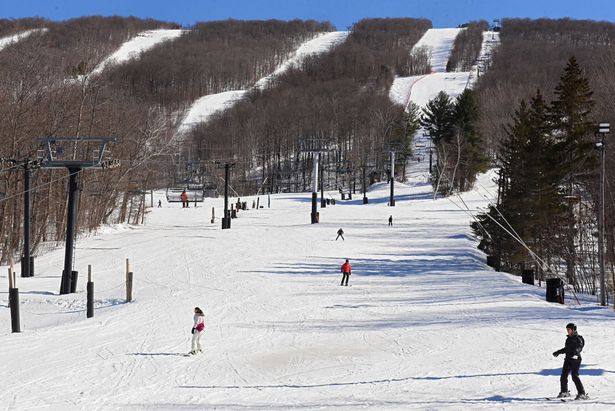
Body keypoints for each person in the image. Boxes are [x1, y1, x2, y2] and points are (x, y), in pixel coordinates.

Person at [553, 323, 587, 400]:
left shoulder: (578, 338)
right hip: (568, 359)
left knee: (574, 376)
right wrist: (558, 352)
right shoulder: (568, 339)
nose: (567, 331)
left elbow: (580, 347)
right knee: (563, 375)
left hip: (575, 359)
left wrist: (575, 352)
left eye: (569, 329)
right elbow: (566, 349)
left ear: (573, 330)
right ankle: (564, 392)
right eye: (567, 329)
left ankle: (582, 394)